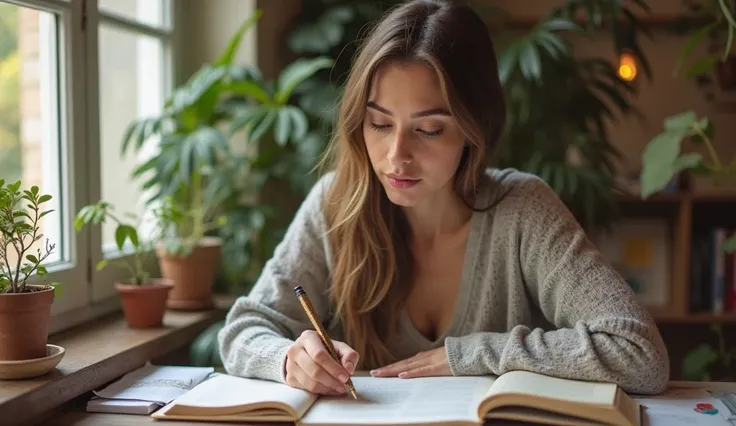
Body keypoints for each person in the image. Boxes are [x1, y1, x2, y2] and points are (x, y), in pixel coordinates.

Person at [218, 0, 670, 397]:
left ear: (474, 129)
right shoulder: (335, 204)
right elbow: (243, 330)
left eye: (429, 130)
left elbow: (639, 352)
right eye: (379, 123)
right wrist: (289, 358)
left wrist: (468, 355)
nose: (397, 156)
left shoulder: (523, 210)